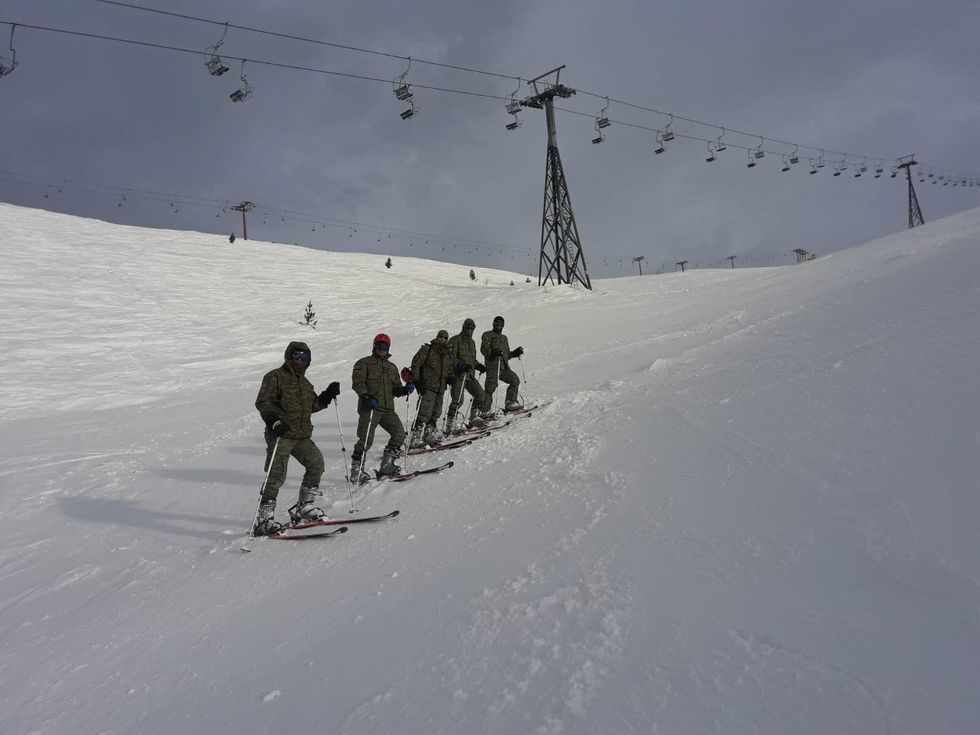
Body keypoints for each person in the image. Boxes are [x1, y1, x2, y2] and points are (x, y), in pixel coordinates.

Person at [253, 341, 341, 535]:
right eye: (297, 357)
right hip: (281, 434)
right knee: (276, 474)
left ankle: (304, 507)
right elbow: (263, 402)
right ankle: (264, 520)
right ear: (289, 357)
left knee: (316, 464)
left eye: (304, 358)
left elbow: (311, 406)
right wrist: (274, 422)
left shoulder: (305, 382)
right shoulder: (275, 377)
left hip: (301, 435)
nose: (300, 361)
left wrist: (326, 396)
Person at [349, 333, 415, 483]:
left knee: (399, 434)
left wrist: (404, 390)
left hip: (387, 409)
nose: (382, 349)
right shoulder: (364, 363)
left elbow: (396, 388)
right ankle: (356, 471)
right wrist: (366, 396)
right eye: (379, 346)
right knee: (366, 439)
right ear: (374, 346)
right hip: (370, 407)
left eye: (384, 346)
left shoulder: (392, 367)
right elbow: (358, 383)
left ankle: (387, 465)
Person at [408, 329, 454, 448]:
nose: (442, 339)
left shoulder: (447, 353)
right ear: (437, 336)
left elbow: (449, 369)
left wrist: (450, 378)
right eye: (440, 336)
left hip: (440, 387)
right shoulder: (427, 350)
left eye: (445, 337)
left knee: (436, 412)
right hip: (428, 386)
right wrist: (417, 381)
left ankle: (429, 433)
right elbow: (416, 364)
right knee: (424, 412)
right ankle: (415, 438)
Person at [445, 317, 491, 433]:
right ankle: (451, 424)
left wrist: (478, 365)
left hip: (470, 375)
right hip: (458, 375)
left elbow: (472, 360)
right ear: (463, 327)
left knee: (480, 394)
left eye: (472, 328)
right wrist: (459, 365)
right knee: (458, 400)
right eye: (467, 328)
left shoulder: (472, 343)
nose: (469, 330)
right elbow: (449, 358)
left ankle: (473, 417)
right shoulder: (455, 340)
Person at [480, 315, 524, 413]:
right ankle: (484, 412)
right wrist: (493, 352)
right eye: (497, 323)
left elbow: (506, 355)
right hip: (493, 367)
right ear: (493, 324)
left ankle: (510, 402)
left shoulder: (504, 338)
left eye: (501, 323)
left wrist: (515, 353)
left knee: (514, 380)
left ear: (503, 325)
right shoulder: (487, 335)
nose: (499, 325)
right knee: (490, 387)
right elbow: (484, 349)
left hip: (504, 367)